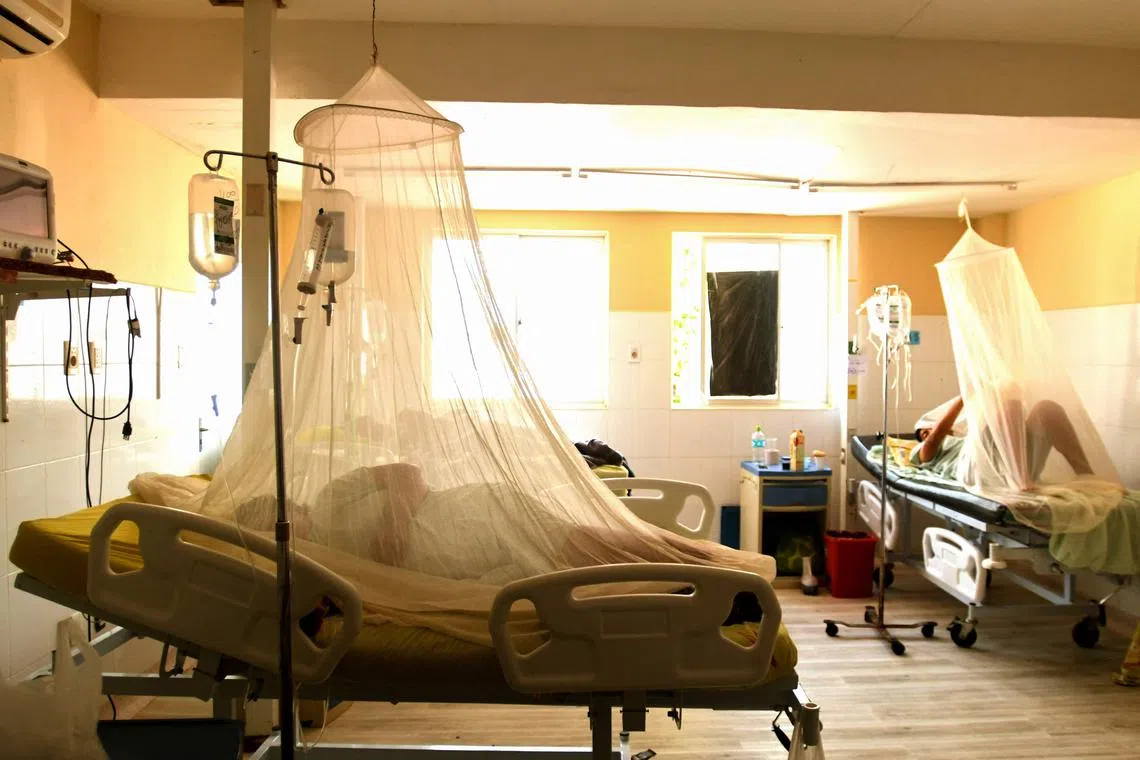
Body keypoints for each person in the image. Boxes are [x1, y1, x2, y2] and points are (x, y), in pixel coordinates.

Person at [912, 392, 1093, 491]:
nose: (928, 434)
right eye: (923, 434)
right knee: (1010, 407)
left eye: (928, 429)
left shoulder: (965, 437)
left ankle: (1087, 475)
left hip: (1012, 462)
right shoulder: (921, 451)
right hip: (977, 472)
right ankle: (1019, 479)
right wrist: (964, 397)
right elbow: (934, 438)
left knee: (1046, 409)